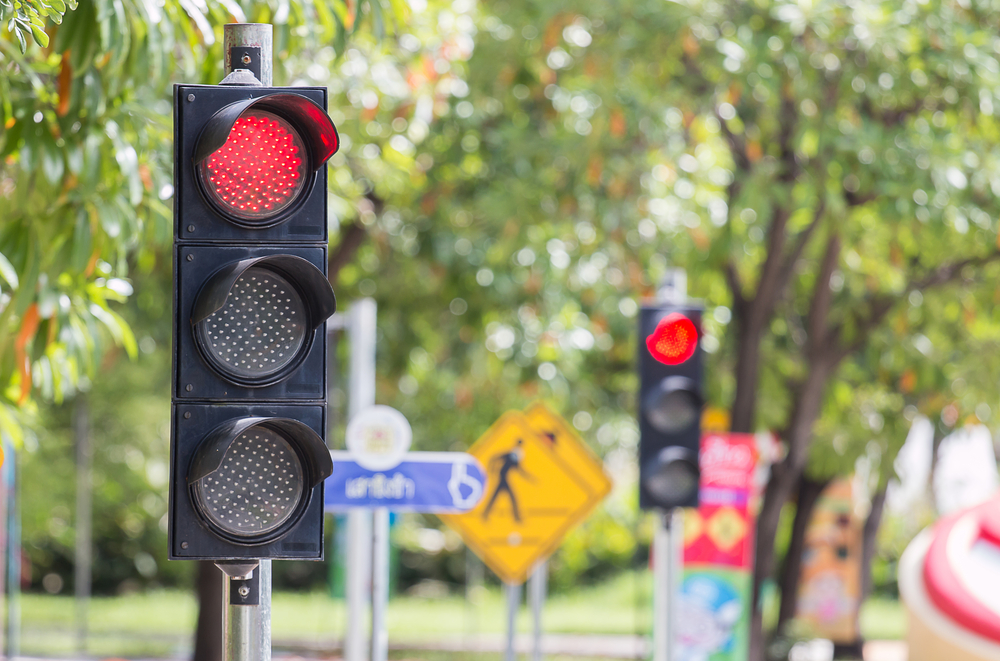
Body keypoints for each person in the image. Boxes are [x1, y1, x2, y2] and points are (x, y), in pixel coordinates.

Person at [482, 439, 535, 522]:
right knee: (511, 497)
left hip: (504, 479)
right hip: (502, 478)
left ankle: (485, 514)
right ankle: (516, 518)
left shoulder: (515, 457)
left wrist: (530, 478)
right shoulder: (509, 454)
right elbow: (494, 458)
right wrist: (491, 470)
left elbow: (520, 470)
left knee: (497, 497)